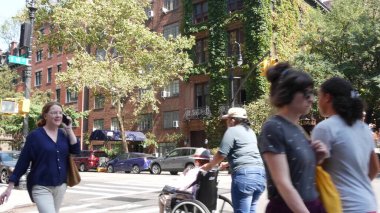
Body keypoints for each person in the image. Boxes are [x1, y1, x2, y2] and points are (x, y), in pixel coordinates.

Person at [258, 62, 327, 213]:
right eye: (306, 93)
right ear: (288, 93)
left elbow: (299, 174)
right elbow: (283, 183)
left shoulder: (298, 128)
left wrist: (316, 159)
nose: (312, 99)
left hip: (311, 205)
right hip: (290, 208)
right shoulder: (274, 127)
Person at [311, 77, 379, 212]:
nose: (316, 102)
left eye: (318, 96)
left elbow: (315, 171)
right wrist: (358, 185)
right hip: (367, 205)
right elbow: (375, 168)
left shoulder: (325, 128)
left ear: (327, 97)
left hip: (343, 207)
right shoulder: (364, 128)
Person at [0, 102, 80, 213]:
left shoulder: (64, 134)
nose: (58, 115)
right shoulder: (35, 136)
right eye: (54, 113)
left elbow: (76, 150)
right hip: (40, 186)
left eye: (60, 113)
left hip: (60, 186)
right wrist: (10, 187)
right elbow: (23, 162)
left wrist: (69, 129)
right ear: (45, 116)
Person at [201, 107, 266, 213]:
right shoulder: (250, 132)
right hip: (260, 175)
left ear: (232, 120)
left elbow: (221, 154)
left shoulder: (232, 130)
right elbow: (247, 154)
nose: (226, 122)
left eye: (227, 119)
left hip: (244, 177)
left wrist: (209, 166)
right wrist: (227, 164)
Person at [158, 148, 211, 213]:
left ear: (197, 161)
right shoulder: (210, 172)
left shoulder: (194, 171)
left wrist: (183, 174)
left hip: (190, 199)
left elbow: (180, 187)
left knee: (161, 197)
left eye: (195, 160)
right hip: (206, 200)